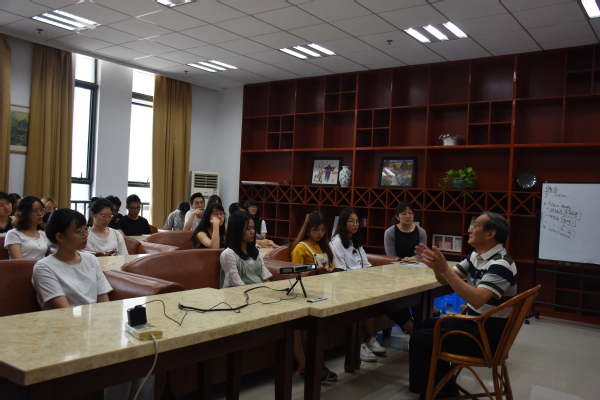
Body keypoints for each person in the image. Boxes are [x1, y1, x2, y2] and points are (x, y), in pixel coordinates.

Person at [32, 208, 154, 399]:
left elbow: (103, 298)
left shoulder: (90, 259)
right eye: (79, 232)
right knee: (119, 360)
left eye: (85, 230)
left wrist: (107, 327)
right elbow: (64, 311)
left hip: (96, 326)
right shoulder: (44, 267)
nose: (85, 236)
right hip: (66, 331)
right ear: (60, 236)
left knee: (147, 353)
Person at [408, 212, 516, 399]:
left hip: (487, 337)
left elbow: (477, 300)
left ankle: (435, 393)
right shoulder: (476, 256)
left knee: (421, 338)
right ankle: (439, 390)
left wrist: (445, 270)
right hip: (475, 324)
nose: (469, 230)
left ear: (490, 234)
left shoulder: (501, 264)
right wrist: (437, 267)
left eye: (476, 226)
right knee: (425, 325)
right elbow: (445, 279)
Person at [329, 208, 387, 362]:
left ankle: (369, 338)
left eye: (357, 222)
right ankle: (357, 343)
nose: (355, 225)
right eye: (351, 221)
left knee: (373, 297)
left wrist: (373, 277)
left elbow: (365, 264)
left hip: (360, 281)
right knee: (361, 300)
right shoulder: (337, 242)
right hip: (344, 283)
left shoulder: (355, 240)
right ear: (343, 223)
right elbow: (340, 269)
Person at [290, 211, 338, 382]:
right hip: (306, 293)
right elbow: (296, 273)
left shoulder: (324, 247)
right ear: (308, 229)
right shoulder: (300, 248)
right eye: (316, 230)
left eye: (323, 230)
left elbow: (333, 267)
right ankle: (307, 365)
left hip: (324, 290)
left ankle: (317, 362)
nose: (320, 234)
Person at [384, 201, 423, 333]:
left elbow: (421, 255)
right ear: (397, 216)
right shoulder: (390, 232)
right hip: (396, 272)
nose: (408, 216)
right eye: (404, 213)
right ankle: (411, 328)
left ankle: (419, 326)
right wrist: (410, 259)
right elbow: (391, 257)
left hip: (417, 271)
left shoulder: (421, 231)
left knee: (420, 294)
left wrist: (407, 259)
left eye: (410, 213)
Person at [219, 211, 272, 288]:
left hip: (260, 291)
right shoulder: (228, 254)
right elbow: (236, 285)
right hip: (240, 293)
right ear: (237, 230)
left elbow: (265, 278)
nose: (253, 232)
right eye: (248, 228)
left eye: (253, 228)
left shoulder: (256, 251)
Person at [4, 195, 51, 260]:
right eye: (35, 211)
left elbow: (51, 256)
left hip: (42, 266)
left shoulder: (42, 235)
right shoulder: (14, 234)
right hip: (23, 266)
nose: (40, 213)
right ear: (24, 213)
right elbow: (18, 261)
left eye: (41, 209)